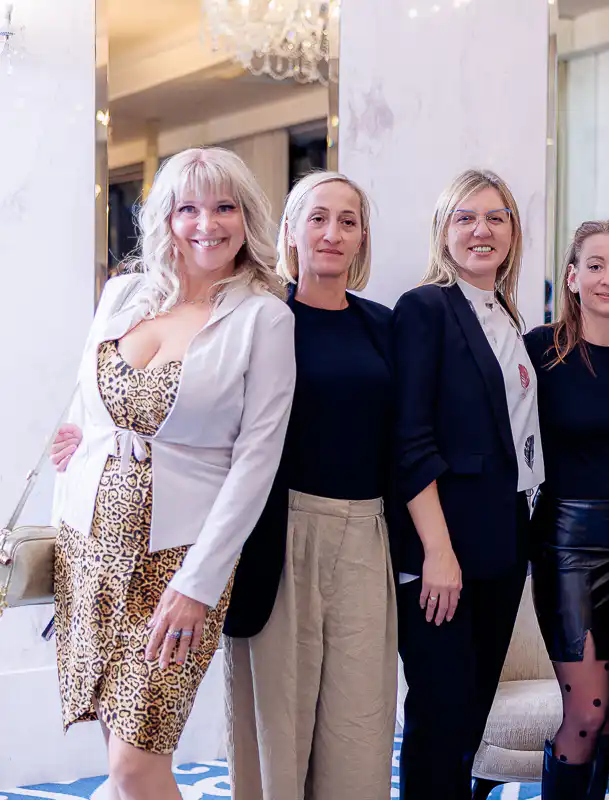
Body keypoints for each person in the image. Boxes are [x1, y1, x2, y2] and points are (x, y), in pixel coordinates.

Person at [48, 147, 295, 800]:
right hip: (89, 548)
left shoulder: (264, 317)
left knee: (138, 762)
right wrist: (79, 432)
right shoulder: (125, 294)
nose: (206, 224)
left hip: (178, 562)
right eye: (188, 208)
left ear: (246, 217)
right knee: (116, 752)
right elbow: (90, 397)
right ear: (166, 217)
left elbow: (256, 460)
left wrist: (198, 584)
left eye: (223, 207)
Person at [222, 172, 397, 799]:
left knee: (360, 725)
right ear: (291, 231)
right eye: (317, 218)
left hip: (366, 534)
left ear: (362, 238)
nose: (332, 233)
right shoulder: (262, 318)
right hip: (278, 533)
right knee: (277, 726)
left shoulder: (384, 326)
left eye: (347, 221)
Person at [391, 169, 543, 799]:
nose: (482, 230)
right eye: (466, 217)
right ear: (443, 230)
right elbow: (409, 439)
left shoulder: (506, 313)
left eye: (496, 217)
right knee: (440, 717)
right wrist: (438, 552)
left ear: (513, 231)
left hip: (501, 542)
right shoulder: (426, 307)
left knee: (468, 721)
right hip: (444, 549)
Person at [523, 220, 609, 798]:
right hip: (565, 539)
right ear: (572, 278)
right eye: (596, 265)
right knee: (587, 710)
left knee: (606, 709)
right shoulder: (540, 349)